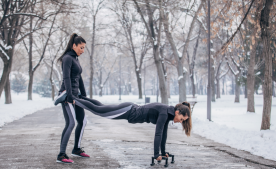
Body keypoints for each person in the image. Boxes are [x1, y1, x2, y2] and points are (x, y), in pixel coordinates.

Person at [55, 93, 192, 161]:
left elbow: (163, 136)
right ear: (177, 112)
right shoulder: (164, 112)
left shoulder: (168, 114)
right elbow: (158, 134)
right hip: (129, 111)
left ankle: (81, 97)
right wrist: (156, 155)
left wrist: (163, 152)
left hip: (129, 109)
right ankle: (71, 98)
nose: (180, 122)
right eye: (181, 119)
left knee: (101, 107)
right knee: (100, 111)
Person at [55, 33, 90, 164]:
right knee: (71, 123)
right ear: (74, 45)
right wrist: (69, 96)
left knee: (83, 120)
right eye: (81, 47)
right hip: (67, 95)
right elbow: (66, 78)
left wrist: (84, 96)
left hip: (76, 95)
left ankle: (76, 149)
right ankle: (61, 155)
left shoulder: (75, 58)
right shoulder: (67, 58)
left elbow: (79, 78)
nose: (83, 50)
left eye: (84, 47)